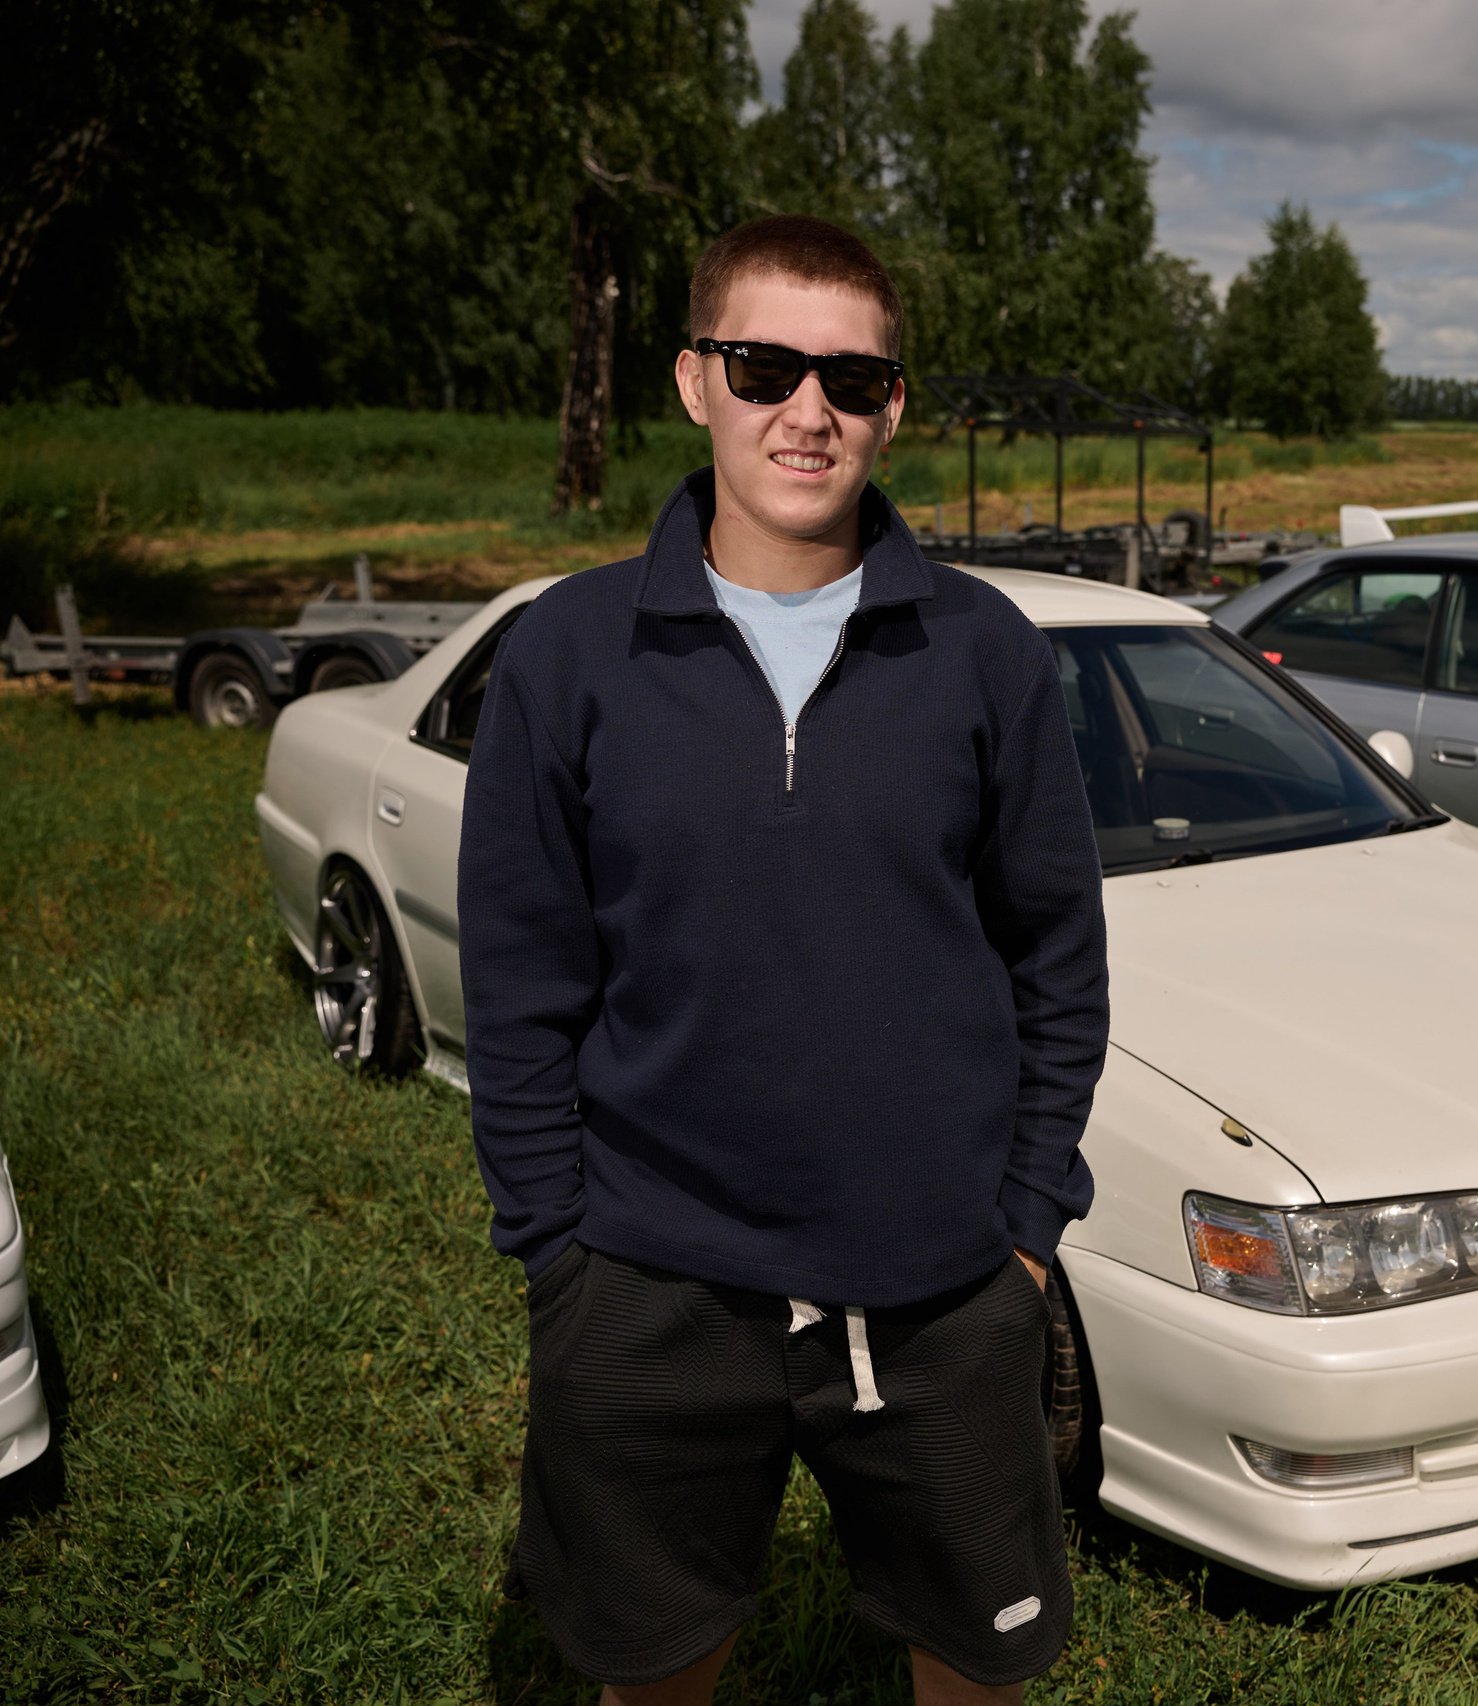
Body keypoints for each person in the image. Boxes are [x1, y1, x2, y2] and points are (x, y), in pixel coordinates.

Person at [460, 215, 1109, 1706]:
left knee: (979, 1665)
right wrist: (558, 1250)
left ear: (897, 404)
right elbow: (522, 982)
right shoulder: (565, 653)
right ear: (694, 381)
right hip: (647, 1273)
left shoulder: (988, 651)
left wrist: (1021, 1231)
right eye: (764, 366)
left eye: (851, 378)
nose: (806, 411)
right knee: (656, 1667)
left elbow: (1056, 963)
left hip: (947, 1281)